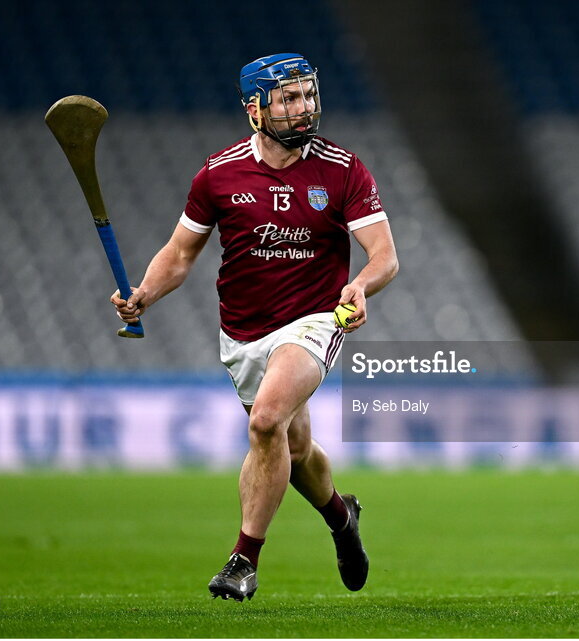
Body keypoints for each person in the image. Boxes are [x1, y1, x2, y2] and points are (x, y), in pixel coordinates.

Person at [110, 53, 398, 601]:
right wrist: (144, 293)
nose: (304, 107)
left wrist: (360, 286)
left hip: (316, 318)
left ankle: (243, 560)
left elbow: (384, 255)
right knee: (294, 448)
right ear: (255, 109)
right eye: (289, 99)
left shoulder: (343, 169)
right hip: (242, 331)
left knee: (266, 423)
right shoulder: (218, 174)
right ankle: (342, 518)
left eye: (308, 95)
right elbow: (179, 253)